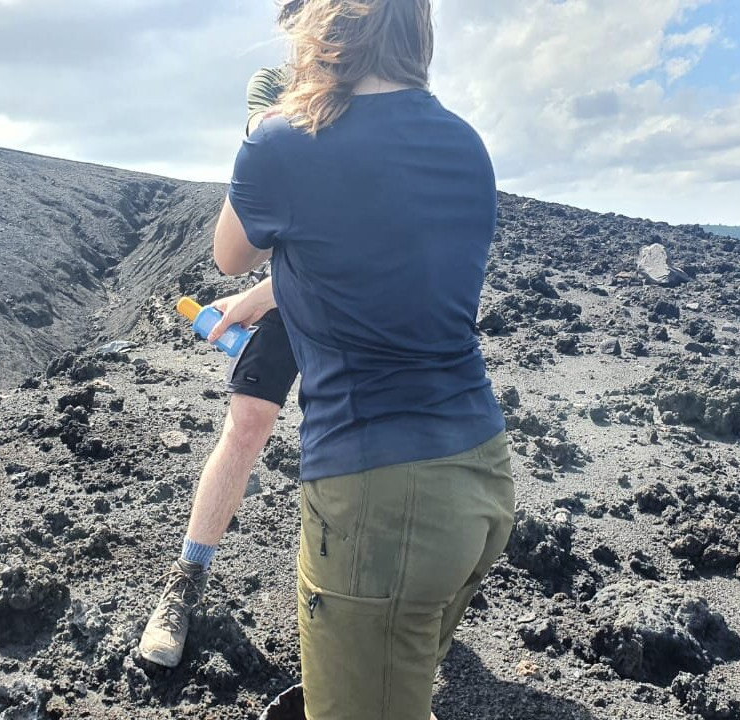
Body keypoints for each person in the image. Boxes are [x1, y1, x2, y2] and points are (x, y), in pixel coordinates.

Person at [210, 1, 516, 718]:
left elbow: (229, 253)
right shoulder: (465, 144)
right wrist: (273, 293)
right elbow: (379, 256)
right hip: (480, 477)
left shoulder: (282, 142)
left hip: (378, 505)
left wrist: (263, 121)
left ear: (326, 29)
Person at [137, 2, 306, 670]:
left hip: (348, 287)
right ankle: (185, 580)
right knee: (247, 423)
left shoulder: (378, 91)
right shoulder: (272, 86)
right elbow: (267, 186)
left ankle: (397, 596)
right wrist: (260, 296)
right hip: (295, 284)